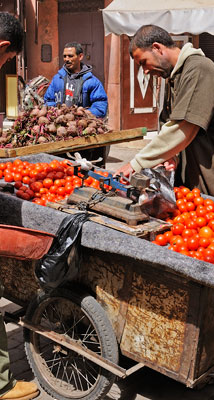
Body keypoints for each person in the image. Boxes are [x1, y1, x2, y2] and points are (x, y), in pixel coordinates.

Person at [116, 25, 214, 205]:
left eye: (143, 62)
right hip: (199, 173)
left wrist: (135, 164)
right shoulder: (174, 77)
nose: (145, 71)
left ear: (157, 48)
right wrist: (171, 156)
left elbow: (183, 129)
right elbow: (170, 124)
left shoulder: (199, 70)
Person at [0, 12, 39, 400]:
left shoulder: (10, 80)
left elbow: (12, 114)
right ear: (3, 47)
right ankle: (1, 383)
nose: (8, 66)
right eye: (8, 60)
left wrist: (11, 126)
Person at [44, 42, 108, 166]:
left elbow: (100, 107)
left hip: (83, 135)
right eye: (64, 56)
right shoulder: (57, 79)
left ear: (80, 56)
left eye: (70, 56)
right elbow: (48, 100)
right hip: (59, 133)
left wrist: (81, 116)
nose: (66, 59)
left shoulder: (92, 82)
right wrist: (56, 113)